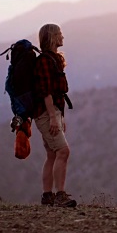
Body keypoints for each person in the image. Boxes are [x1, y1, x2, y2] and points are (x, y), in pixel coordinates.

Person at [34, 23, 76, 207]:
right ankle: (60, 195)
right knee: (63, 151)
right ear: (52, 37)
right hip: (45, 113)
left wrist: (60, 117)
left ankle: (47, 196)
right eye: (60, 34)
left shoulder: (54, 59)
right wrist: (52, 116)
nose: (63, 37)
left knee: (52, 154)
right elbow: (46, 92)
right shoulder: (44, 61)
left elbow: (58, 94)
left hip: (53, 112)